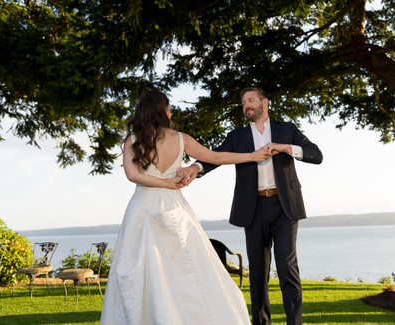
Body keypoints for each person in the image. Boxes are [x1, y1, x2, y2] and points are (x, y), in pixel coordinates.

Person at [100, 90, 271, 324]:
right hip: (174, 207)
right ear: (163, 111)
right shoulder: (180, 138)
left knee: (143, 267)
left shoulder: (133, 139)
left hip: (142, 206)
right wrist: (251, 156)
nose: (171, 113)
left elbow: (133, 176)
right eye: (169, 108)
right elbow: (216, 157)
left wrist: (164, 182)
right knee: (185, 266)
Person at [178, 87, 323, 325]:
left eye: (251, 100)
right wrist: (195, 168)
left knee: (287, 269)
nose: (246, 105)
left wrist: (284, 148)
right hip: (253, 209)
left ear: (265, 102)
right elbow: (214, 157)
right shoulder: (237, 137)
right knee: (258, 273)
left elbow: (316, 155)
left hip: (284, 207)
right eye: (243, 102)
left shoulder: (287, 130)